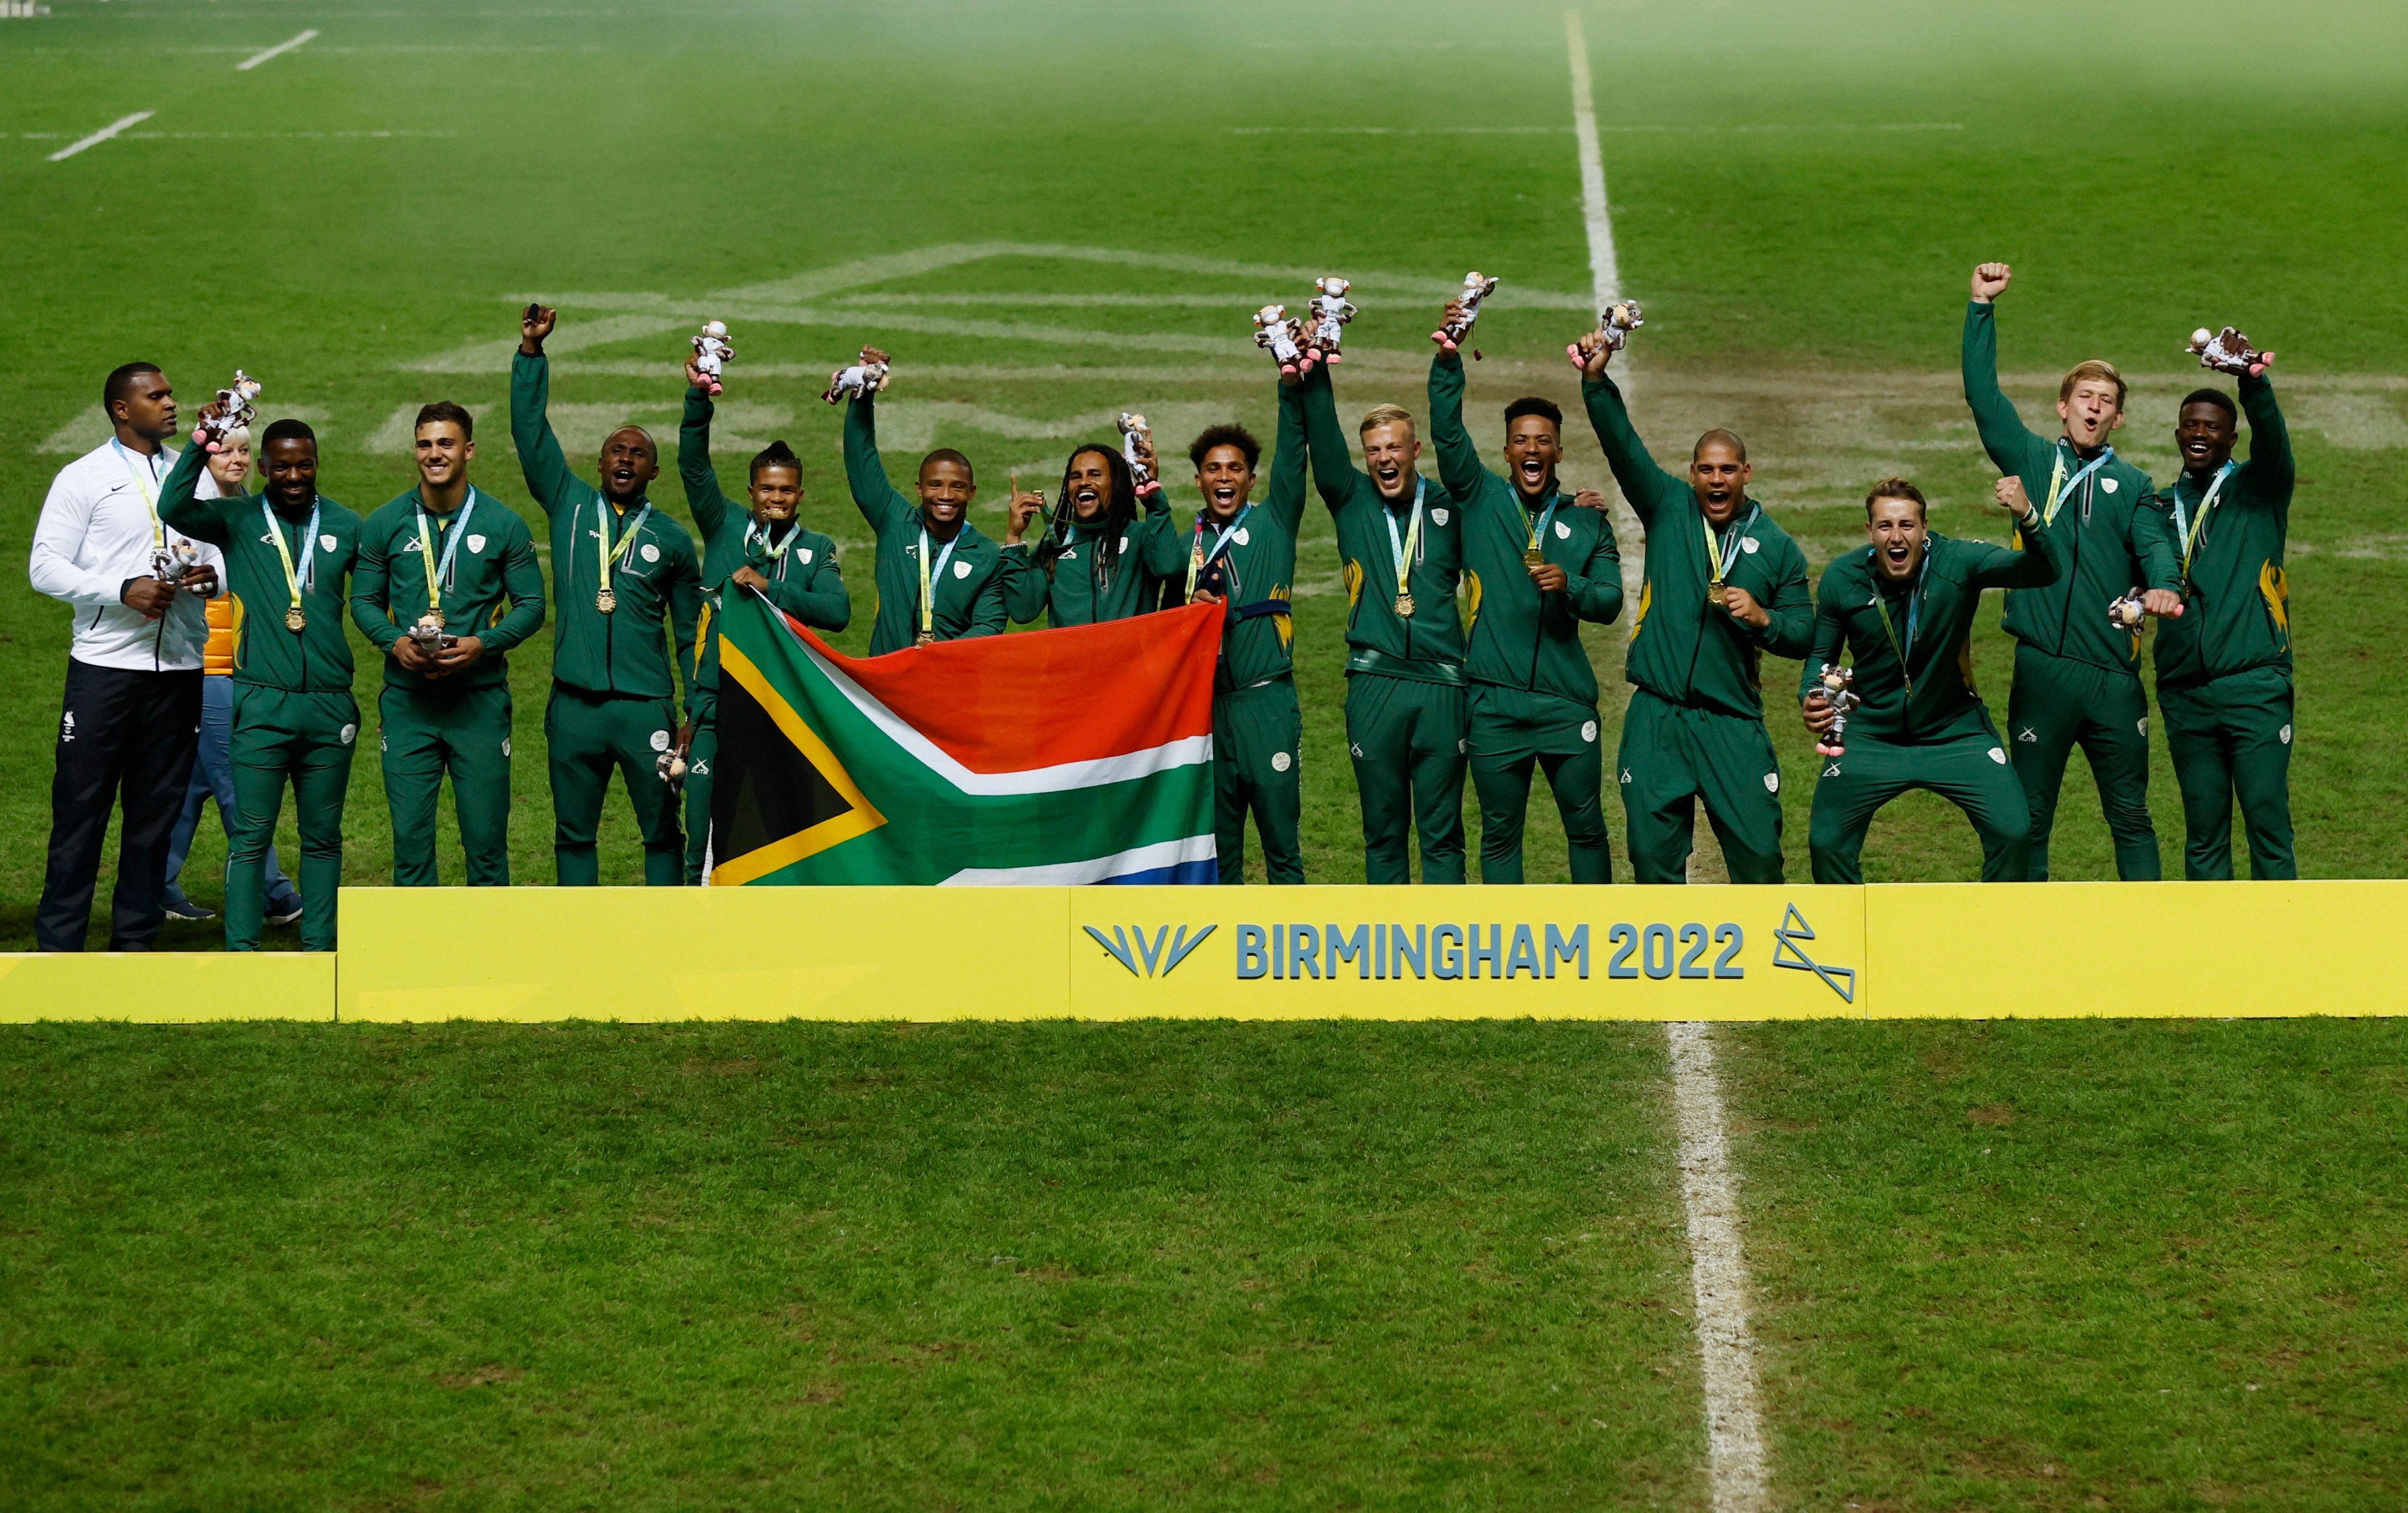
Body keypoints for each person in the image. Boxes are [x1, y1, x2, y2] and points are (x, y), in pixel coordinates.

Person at [1963, 262, 2181, 880]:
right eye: (2085, 396)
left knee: (2131, 815)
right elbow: (1983, 396)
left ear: (2118, 419)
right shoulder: (2030, 457)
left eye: (2107, 402)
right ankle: (2023, 935)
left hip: (2113, 676)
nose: (2095, 407)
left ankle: (2149, 932)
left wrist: (2165, 584)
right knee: (2029, 816)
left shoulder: (2135, 485)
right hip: (2043, 670)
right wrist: (1981, 308)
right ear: (2063, 407)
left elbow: (2157, 546)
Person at [1575, 330, 1813, 884]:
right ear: (1692, 473)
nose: (1716, 479)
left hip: (1730, 720)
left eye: (1727, 470)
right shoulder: (1666, 508)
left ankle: (1765, 968)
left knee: (1758, 860)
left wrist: (1764, 620)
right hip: (1657, 716)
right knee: (1653, 863)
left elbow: (1804, 633)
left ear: (1745, 475)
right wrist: (1594, 380)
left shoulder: (1776, 547)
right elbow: (1622, 445)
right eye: (1706, 469)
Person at [28, 362, 221, 951]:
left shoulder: (196, 477)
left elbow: (221, 554)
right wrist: (120, 588)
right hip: (104, 671)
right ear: (121, 408)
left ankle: (135, 944)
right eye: (155, 396)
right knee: (80, 815)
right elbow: (44, 566)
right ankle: (60, 945)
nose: (170, 403)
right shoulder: (83, 477)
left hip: (181, 672)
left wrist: (212, 580)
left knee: (154, 818)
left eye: (169, 393)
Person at [1429, 301, 1623, 884]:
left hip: (1566, 703)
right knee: (1500, 833)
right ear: (1508, 452)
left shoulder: (1587, 522)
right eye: (1520, 441)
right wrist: (1448, 360)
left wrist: (1573, 585)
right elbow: (1445, 430)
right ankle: (1506, 959)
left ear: (1558, 452)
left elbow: (1611, 601)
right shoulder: (1480, 498)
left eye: (1543, 441)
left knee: (1587, 828)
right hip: (1494, 703)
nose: (1532, 449)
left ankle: (1598, 945)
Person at [515, 306, 703, 886]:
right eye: (615, 451)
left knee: (662, 831)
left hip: (644, 706)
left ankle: (666, 940)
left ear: (654, 471)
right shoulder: (568, 503)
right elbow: (529, 430)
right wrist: (530, 354)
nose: (625, 457)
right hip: (573, 706)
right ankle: (581, 945)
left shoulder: (671, 539)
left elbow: (689, 631)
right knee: (573, 832)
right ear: (598, 464)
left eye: (637, 453)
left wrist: (694, 707)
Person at [160, 412, 361, 951]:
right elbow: (172, 507)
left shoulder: (347, 525)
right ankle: (242, 952)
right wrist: (202, 441)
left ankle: (321, 946)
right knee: (250, 838)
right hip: (261, 705)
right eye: (281, 467)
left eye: (305, 465)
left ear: (317, 465)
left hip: (328, 705)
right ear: (265, 467)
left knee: (322, 839)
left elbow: (372, 601)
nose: (294, 476)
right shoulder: (238, 519)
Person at [1801, 477, 2065, 883]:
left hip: (1954, 731)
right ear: (1869, 532)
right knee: (1826, 842)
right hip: (1871, 735)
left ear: (1924, 529)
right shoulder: (1843, 577)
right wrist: (1813, 695)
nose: (1896, 536)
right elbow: (1821, 657)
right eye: (1885, 526)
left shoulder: (1957, 562)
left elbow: (2045, 569)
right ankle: (1851, 942)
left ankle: (1997, 936)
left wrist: (2026, 516)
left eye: (1906, 524)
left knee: (2013, 831)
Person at [350, 402, 546, 887]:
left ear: (469, 450)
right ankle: (417, 959)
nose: (433, 453)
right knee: (411, 846)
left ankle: (486, 958)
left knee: (485, 846)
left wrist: (485, 643)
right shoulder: (386, 522)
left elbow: (532, 605)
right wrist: (394, 642)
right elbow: (363, 601)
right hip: (408, 705)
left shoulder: (503, 524)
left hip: (477, 706)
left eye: (445, 443)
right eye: (424, 443)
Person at [1297, 360, 1467, 884]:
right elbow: (1321, 435)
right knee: (1383, 831)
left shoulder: (1451, 505)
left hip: (1443, 685)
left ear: (1416, 450)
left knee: (1443, 835)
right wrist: (1314, 368)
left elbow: (1514, 513)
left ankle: (1448, 953)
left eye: (1394, 447)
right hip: (1373, 683)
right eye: (1373, 450)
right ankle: (1392, 957)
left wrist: (1571, 503)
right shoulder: (1348, 497)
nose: (1384, 458)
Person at [679, 362, 850, 882]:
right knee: (702, 834)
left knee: (779, 833)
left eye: (787, 490)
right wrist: (697, 400)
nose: (776, 498)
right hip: (718, 707)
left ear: (800, 495)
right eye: (767, 489)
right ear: (751, 491)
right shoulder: (723, 523)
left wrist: (771, 586)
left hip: (786, 711)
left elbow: (838, 612)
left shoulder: (817, 548)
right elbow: (693, 465)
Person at [2150, 362, 2297, 879]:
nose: (2199, 433)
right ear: (2177, 434)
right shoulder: (2157, 508)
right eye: (2191, 424)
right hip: (2185, 693)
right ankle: (2213, 953)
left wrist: (2252, 382)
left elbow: (2275, 445)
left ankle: (2281, 946)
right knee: (2203, 832)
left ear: (2233, 438)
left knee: (2266, 817)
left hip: (2254, 684)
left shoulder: (2260, 489)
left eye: (2212, 426)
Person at [160, 426, 303, 924]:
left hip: (234, 668)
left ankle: (155, 882)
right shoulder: (193, 513)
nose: (238, 459)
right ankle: (272, 892)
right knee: (234, 781)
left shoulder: (251, 508)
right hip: (210, 668)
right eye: (226, 450)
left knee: (194, 781)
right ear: (204, 455)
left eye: (246, 450)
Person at [1181, 379, 1310, 884]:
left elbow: (1295, 458)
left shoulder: (1276, 520)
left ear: (1252, 479)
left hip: (1266, 705)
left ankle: (1293, 960)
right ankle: (1222, 961)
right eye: (1213, 469)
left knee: (1282, 846)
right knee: (1220, 856)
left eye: (1235, 468)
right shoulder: (1184, 544)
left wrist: (1291, 385)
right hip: (1209, 711)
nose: (1224, 476)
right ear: (1198, 481)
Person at [839, 346, 1015, 654]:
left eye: (957, 487)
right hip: (884, 680)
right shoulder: (894, 521)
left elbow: (989, 625)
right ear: (919, 489)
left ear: (972, 492)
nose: (945, 496)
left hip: (949, 684)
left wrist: (938, 655)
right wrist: (864, 393)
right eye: (935, 486)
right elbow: (861, 459)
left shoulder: (986, 555)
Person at [1001, 440, 1181, 627]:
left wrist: (1154, 499)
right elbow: (1023, 611)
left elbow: (1169, 567)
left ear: (1116, 483)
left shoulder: (1141, 536)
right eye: (1076, 477)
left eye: (1095, 475)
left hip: (1130, 657)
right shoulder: (1055, 547)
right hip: (1072, 657)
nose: (1084, 482)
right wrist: (1014, 537)